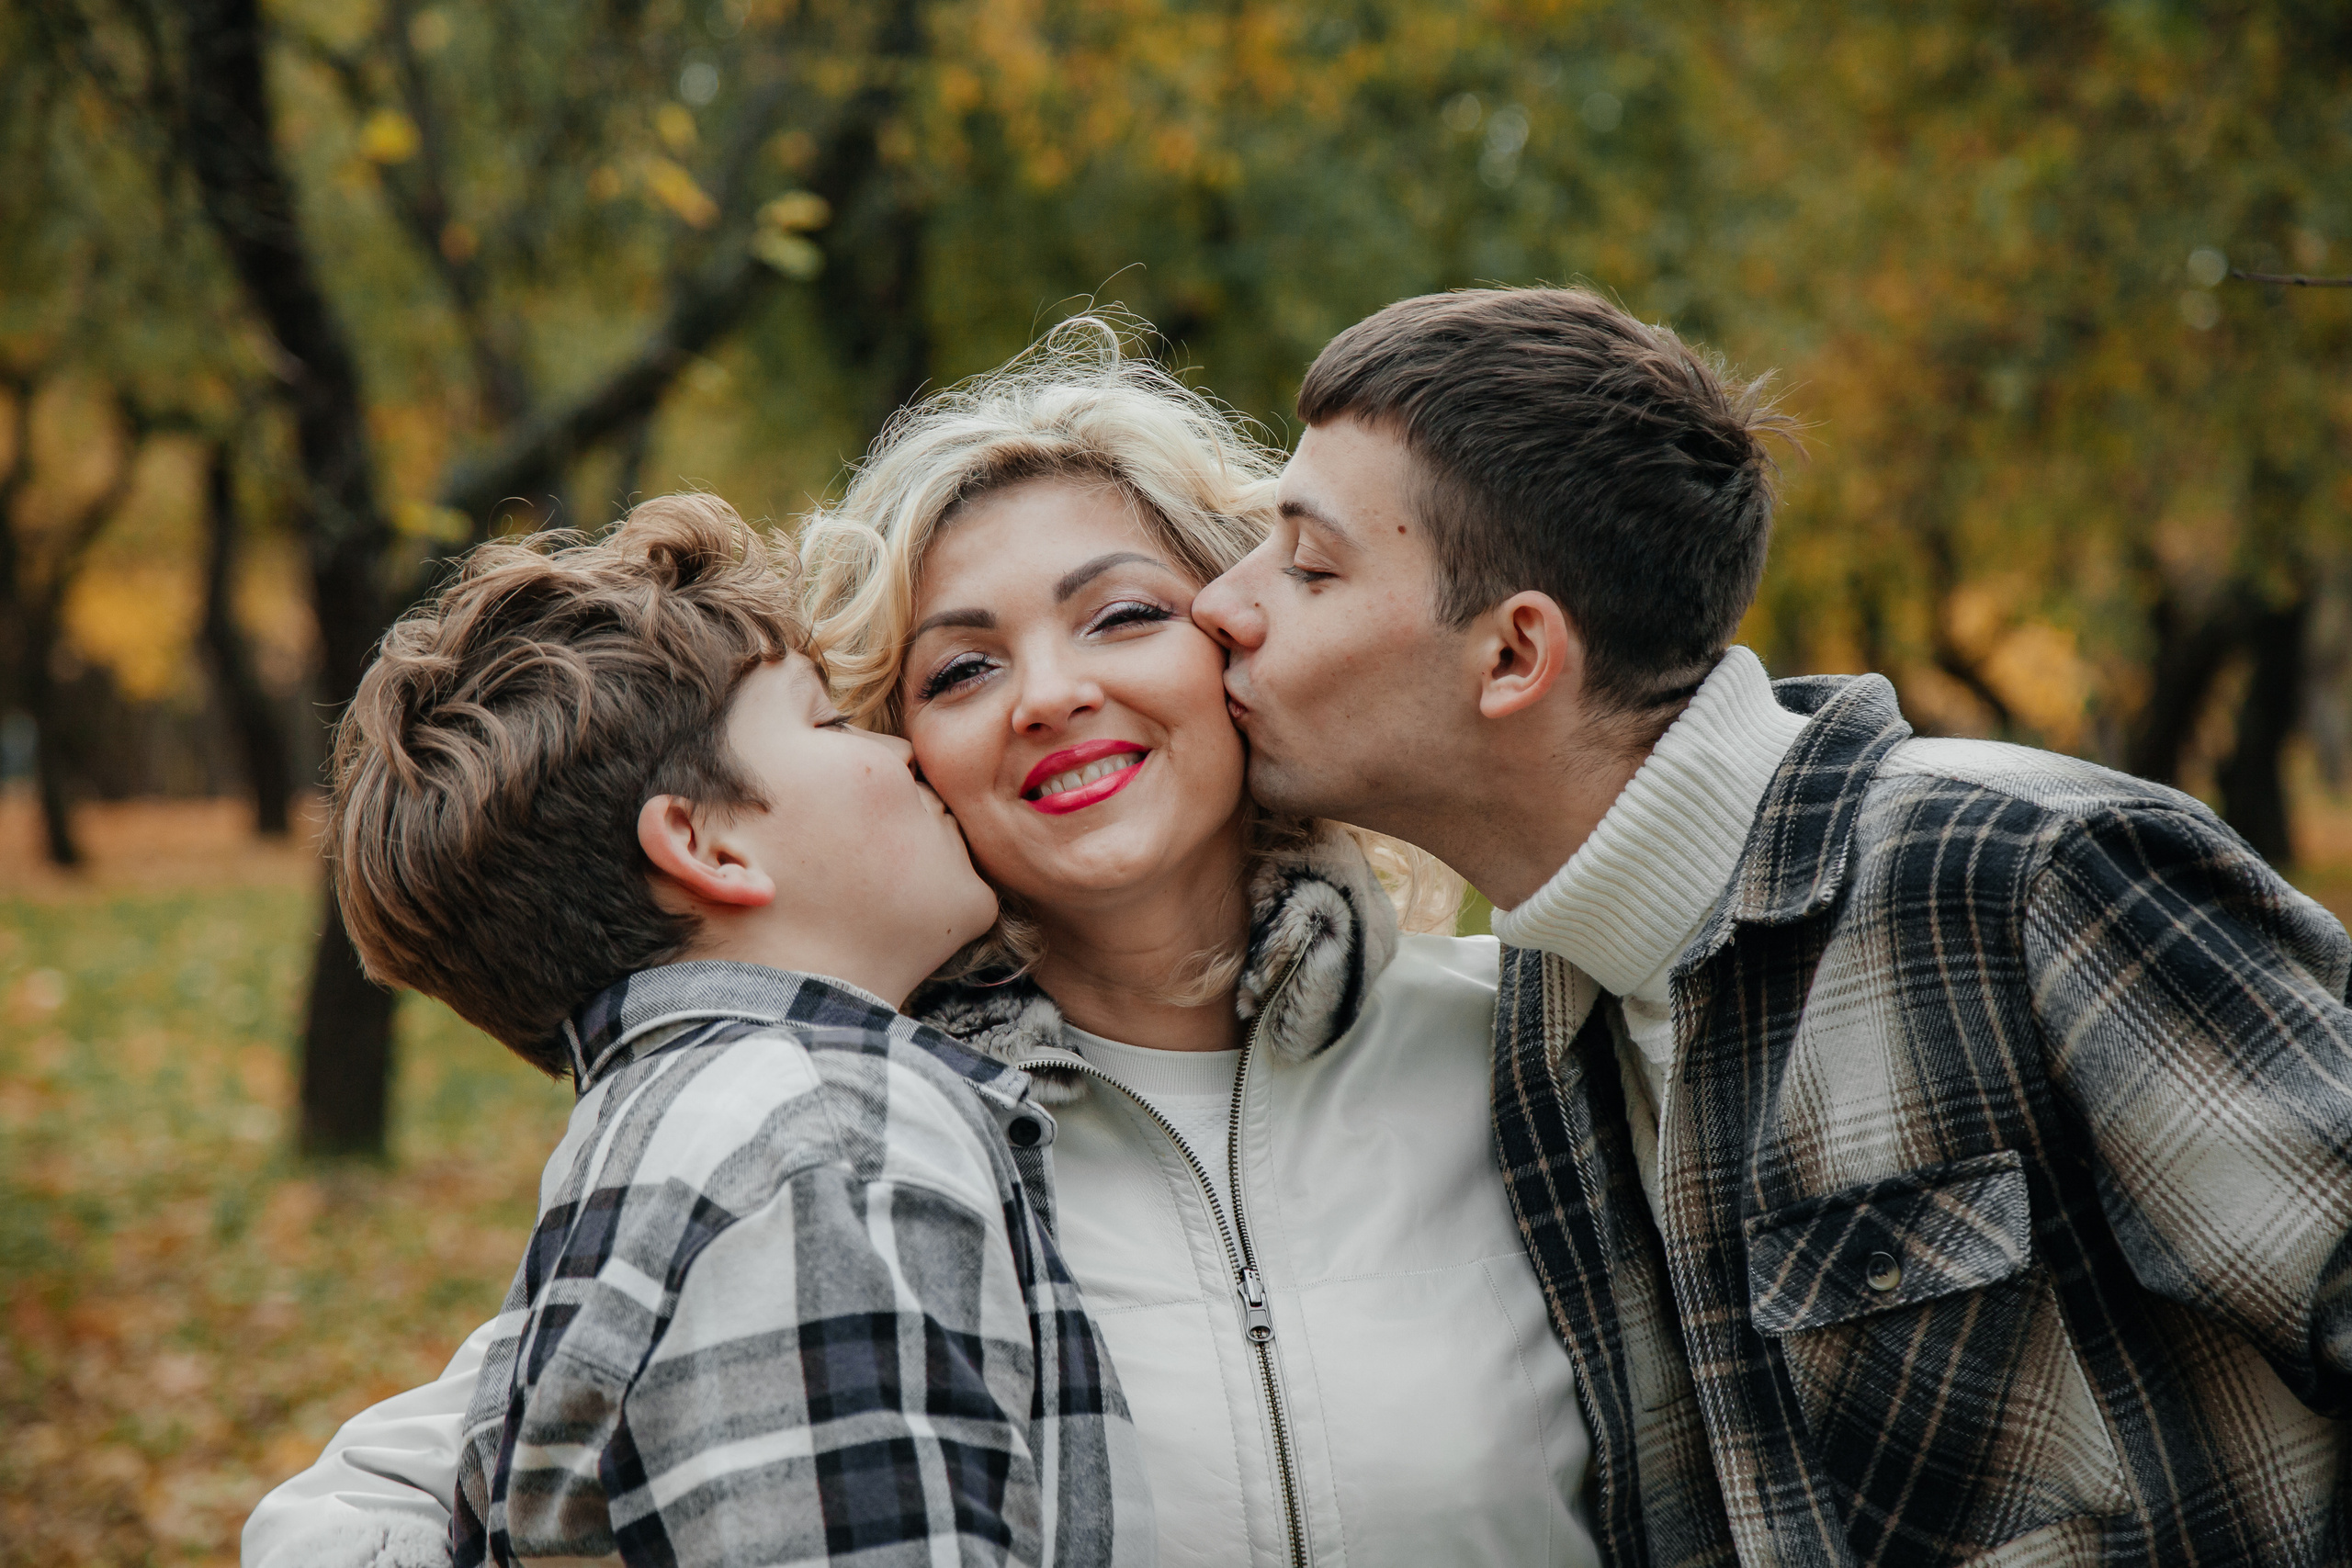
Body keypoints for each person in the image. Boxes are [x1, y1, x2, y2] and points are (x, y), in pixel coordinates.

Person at [242, 334, 1599, 1568]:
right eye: (960, 670)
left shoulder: (1530, 1040)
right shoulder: (863, 1137)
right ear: (908, 750)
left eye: (1123, 614)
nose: (1054, 695)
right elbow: (366, 1503)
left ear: (1242, 640)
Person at [1191, 286, 2352, 1566]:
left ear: (1516, 656)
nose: (1220, 607)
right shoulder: (1541, 1030)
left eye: (1306, 566)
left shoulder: (2023, 873)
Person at [268, 494, 1153, 1568]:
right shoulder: (829, 1139)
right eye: (827, 724)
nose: (897, 750)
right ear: (708, 846)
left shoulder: (654, 1132)